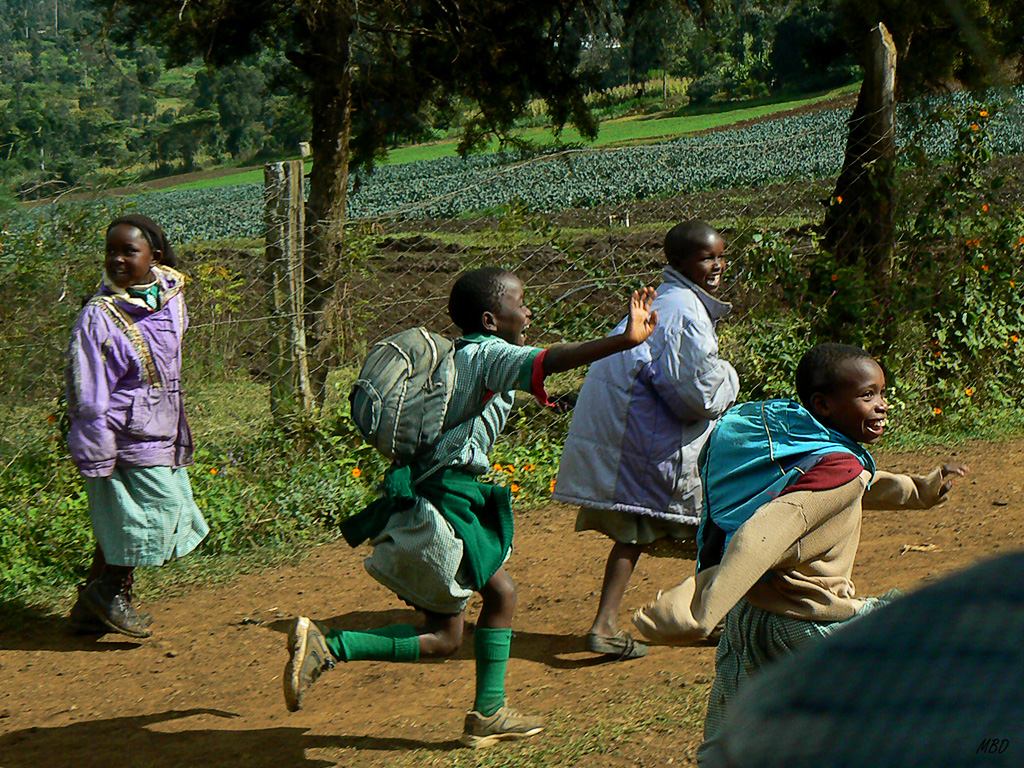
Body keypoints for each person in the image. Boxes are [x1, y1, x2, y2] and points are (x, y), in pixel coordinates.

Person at [283, 267, 659, 748]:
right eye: (520, 303)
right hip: (443, 499)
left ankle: (476, 706)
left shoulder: (462, 356)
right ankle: (348, 652)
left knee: (466, 620)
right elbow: (551, 359)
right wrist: (624, 341)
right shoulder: (489, 355)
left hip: (427, 493)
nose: (528, 310)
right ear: (490, 318)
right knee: (477, 612)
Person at [630, 342, 968, 761]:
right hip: (808, 619)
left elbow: (860, 482)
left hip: (748, 621)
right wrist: (702, 611)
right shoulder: (840, 469)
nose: (881, 406)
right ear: (824, 404)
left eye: (881, 393)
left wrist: (919, 489)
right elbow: (762, 535)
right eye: (867, 395)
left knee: (733, 737)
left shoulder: (797, 445)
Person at [551, 220, 739, 661]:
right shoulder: (685, 313)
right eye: (706, 258)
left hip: (634, 430)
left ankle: (614, 623)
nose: (717, 266)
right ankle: (703, 618)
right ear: (677, 262)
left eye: (720, 256)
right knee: (716, 520)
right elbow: (696, 395)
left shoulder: (674, 302)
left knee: (638, 530)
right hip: (642, 434)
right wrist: (730, 377)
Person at [65, 214, 207, 639]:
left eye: (129, 251)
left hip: (160, 428)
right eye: (112, 251)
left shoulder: (172, 296)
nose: (118, 260)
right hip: (119, 435)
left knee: (124, 517)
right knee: (160, 512)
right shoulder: (99, 316)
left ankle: (90, 607)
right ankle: (108, 592)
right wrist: (96, 446)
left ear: (154, 256)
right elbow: (87, 388)